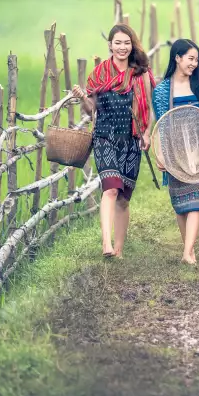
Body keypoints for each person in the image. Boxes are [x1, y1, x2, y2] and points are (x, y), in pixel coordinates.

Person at [71, 24, 155, 258]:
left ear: (132, 45)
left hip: (131, 138)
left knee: (124, 199)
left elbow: (149, 105)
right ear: (110, 45)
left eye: (126, 43)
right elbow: (91, 111)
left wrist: (147, 133)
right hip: (105, 136)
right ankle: (106, 244)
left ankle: (118, 249)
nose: (122, 47)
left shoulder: (141, 73)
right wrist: (82, 99)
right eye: (117, 43)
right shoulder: (98, 74)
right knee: (110, 189)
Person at [152, 39, 199, 265]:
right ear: (177, 58)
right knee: (180, 204)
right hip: (175, 151)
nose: (194, 63)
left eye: (196, 59)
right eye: (190, 58)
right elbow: (161, 124)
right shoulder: (161, 90)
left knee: (196, 201)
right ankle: (188, 250)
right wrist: (160, 153)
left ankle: (187, 252)